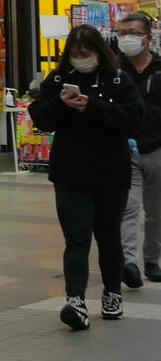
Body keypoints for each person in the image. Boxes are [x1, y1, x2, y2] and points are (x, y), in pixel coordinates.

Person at [28, 24, 143, 330]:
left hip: (111, 172)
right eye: (75, 54)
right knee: (76, 238)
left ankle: (112, 293)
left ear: (99, 51)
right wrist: (61, 105)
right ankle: (75, 301)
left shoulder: (118, 79)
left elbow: (133, 118)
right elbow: (39, 116)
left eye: (87, 53)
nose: (81, 59)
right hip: (70, 172)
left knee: (109, 237)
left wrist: (94, 106)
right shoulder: (58, 79)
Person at [116, 12, 161, 286]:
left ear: (147, 37)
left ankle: (152, 260)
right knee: (128, 208)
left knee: (156, 211)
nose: (126, 38)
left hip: (157, 149)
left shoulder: (159, 68)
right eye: (122, 33)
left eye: (133, 33)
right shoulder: (114, 70)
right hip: (124, 149)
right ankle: (129, 264)